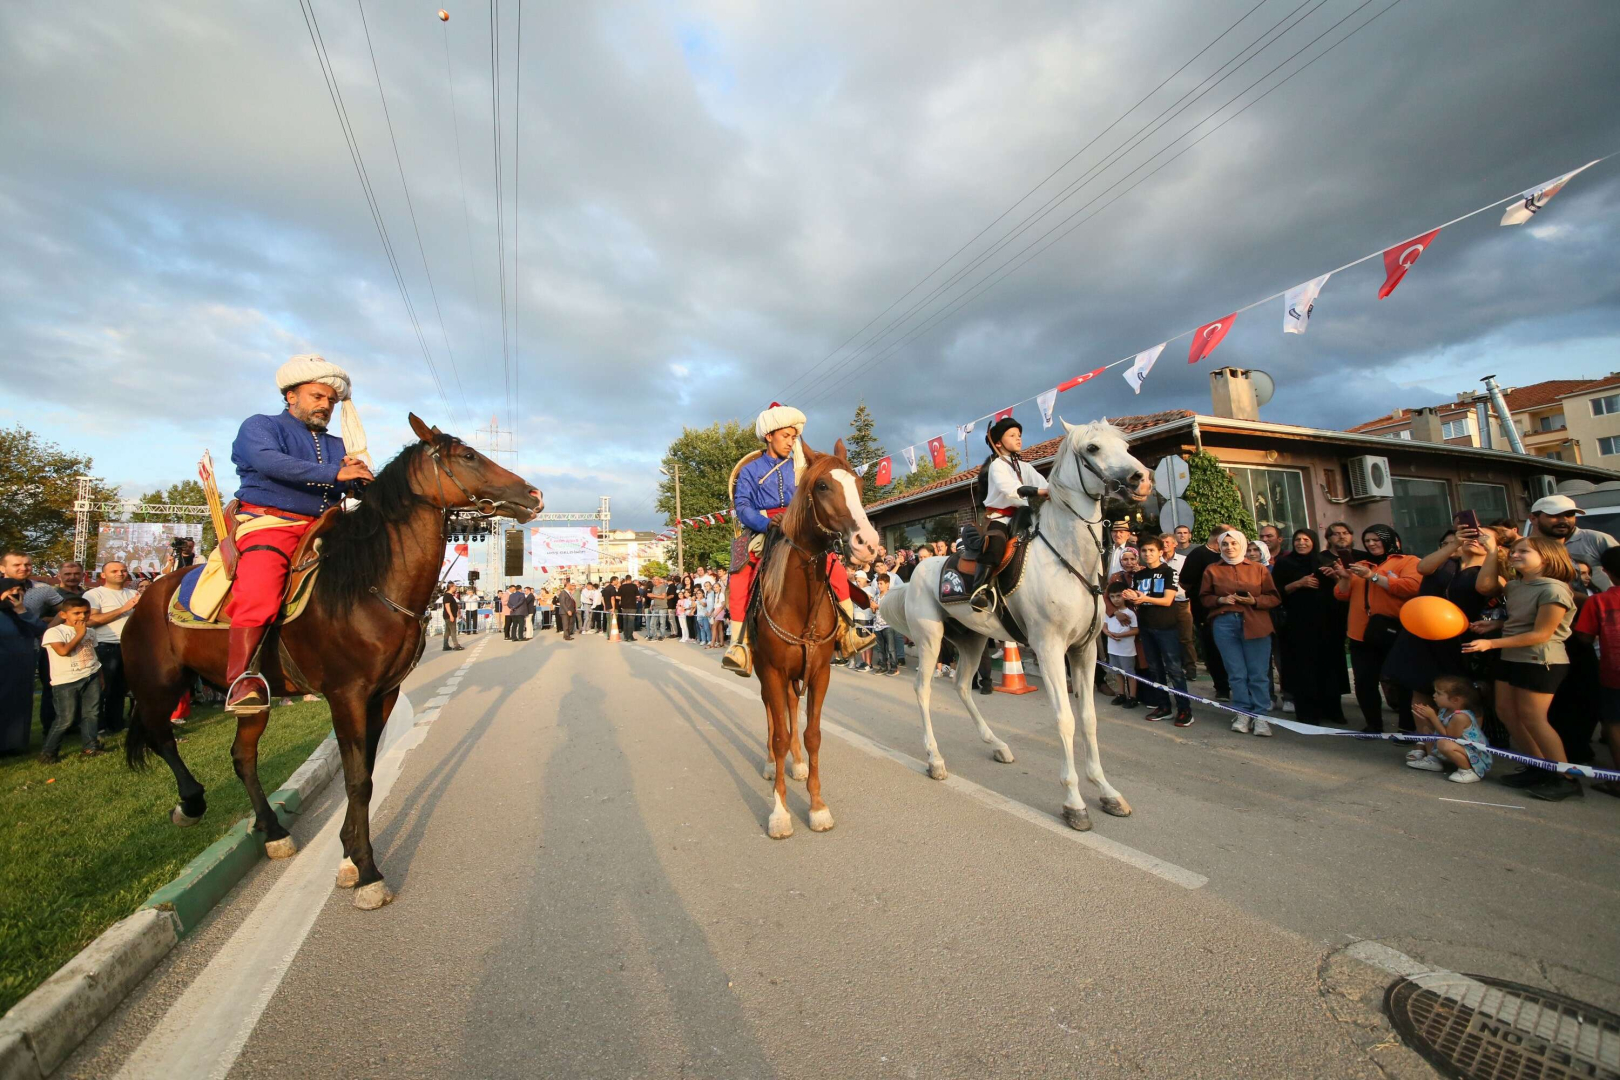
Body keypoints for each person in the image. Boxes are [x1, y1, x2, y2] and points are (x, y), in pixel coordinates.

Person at [223, 355, 374, 712]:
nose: (325, 405)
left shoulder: (339, 445)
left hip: (326, 526)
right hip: (272, 522)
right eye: (317, 396)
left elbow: (345, 488)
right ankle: (242, 680)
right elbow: (268, 462)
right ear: (291, 395)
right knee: (260, 588)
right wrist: (337, 475)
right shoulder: (260, 426)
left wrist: (364, 483)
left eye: (331, 401)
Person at [723, 403, 873, 675]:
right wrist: (766, 522)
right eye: (786, 435)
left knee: (835, 569)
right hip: (762, 529)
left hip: (799, 528)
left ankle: (848, 631)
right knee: (740, 576)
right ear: (769, 436)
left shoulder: (803, 468)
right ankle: (739, 644)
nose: (791, 441)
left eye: (794, 436)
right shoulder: (750, 470)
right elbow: (742, 506)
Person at [1465, 536, 1581, 800]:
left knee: (1533, 718)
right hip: (1511, 656)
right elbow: (1486, 588)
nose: (1515, 555)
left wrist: (1491, 642)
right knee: (1506, 711)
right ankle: (1538, 765)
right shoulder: (1515, 586)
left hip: (1540, 660)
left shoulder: (1554, 589)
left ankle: (1565, 777)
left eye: (1524, 551)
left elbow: (1541, 634)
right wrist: (1492, 551)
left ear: (1548, 558)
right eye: (1514, 551)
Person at [1381, 527, 1499, 721]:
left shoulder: (1491, 572)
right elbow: (1422, 568)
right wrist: (1454, 543)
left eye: (1482, 537)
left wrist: (1492, 551)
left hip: (1457, 639)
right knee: (1420, 690)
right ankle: (1424, 744)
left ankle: (1463, 745)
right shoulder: (1445, 563)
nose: (1475, 539)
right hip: (1420, 634)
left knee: (1457, 696)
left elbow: (1486, 587)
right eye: (1472, 535)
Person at [1327, 525, 1421, 734]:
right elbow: (1341, 595)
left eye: (1376, 539)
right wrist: (1343, 576)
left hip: (1395, 632)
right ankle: (1373, 724)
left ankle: (1407, 727)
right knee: (1364, 682)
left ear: (1390, 540)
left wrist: (1373, 576)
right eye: (1367, 540)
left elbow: (1411, 588)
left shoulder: (1408, 561)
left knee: (1402, 681)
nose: (1371, 544)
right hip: (1361, 634)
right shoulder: (1359, 564)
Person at [1200, 529, 1283, 736]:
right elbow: (1204, 597)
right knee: (1236, 672)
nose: (1229, 548)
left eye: (1234, 544)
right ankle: (1242, 712)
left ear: (1242, 545)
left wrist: (1254, 601)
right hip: (1225, 623)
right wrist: (1220, 600)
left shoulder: (1258, 569)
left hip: (1256, 622)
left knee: (1258, 673)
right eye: (1225, 544)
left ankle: (1261, 716)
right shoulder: (1212, 569)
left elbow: (1274, 598)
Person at [967, 417, 1048, 611]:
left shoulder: (1025, 467)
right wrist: (1040, 492)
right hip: (1000, 518)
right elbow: (1010, 488)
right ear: (997, 443)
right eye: (1012, 435)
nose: (1018, 439)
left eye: (1019, 435)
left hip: (1025, 517)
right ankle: (980, 590)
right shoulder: (997, 466)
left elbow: (1044, 485)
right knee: (995, 544)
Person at [1270, 531, 1348, 724]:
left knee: (1329, 667)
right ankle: (1307, 712)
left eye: (1306, 540)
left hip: (1328, 624)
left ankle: (1332, 710)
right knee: (1303, 669)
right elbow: (1276, 593)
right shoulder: (1285, 563)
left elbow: (1344, 590)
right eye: (1297, 539)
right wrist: (1298, 583)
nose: (1301, 543)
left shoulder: (1326, 561)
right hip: (1297, 625)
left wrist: (1336, 577)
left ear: (1314, 542)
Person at [1126, 538, 1190, 725]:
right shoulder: (1139, 575)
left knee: (1174, 669)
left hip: (1166, 627)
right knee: (1155, 669)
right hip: (1146, 626)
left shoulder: (1169, 572)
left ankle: (1185, 709)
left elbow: (1167, 600)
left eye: (1152, 550)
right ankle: (1164, 706)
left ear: (1160, 551)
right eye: (1144, 550)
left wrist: (1144, 598)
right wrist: (1131, 596)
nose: (1148, 554)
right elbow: (1137, 598)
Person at [1573, 545, 1620, 797]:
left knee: (1614, 724)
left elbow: (1583, 637)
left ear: (1606, 572)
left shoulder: (1599, 601)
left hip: (1614, 672)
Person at [39, 598, 103, 762]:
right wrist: (79, 634)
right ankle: (49, 752)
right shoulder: (55, 632)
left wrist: (101, 676)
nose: (82, 617)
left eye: (86, 612)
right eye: (77, 613)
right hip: (66, 681)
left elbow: (93, 653)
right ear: (63, 614)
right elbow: (63, 651)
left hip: (91, 675)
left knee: (91, 713)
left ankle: (91, 746)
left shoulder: (90, 631)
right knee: (65, 718)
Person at [84, 561, 143, 733]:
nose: (120, 573)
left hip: (129, 647)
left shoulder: (133, 593)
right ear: (103, 575)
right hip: (105, 646)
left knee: (120, 689)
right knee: (103, 689)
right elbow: (90, 621)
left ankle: (116, 724)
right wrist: (123, 609)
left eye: (123, 570)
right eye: (114, 571)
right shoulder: (94, 594)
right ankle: (98, 727)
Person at [1179, 523, 1233, 701]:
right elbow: (1185, 582)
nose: (1231, 544)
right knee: (1213, 649)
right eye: (1227, 540)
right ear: (1219, 538)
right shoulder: (1199, 555)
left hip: (1230, 610)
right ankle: (1222, 686)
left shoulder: (1228, 556)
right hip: (1206, 611)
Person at [1407, 675, 1492, 784]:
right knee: (1427, 729)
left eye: (1439, 693)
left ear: (1455, 700)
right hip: (1456, 745)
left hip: (1473, 753)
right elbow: (1439, 729)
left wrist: (1433, 716)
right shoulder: (1445, 710)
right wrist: (1428, 719)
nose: (1434, 696)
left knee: (1444, 744)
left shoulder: (1460, 717)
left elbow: (1449, 737)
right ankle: (1433, 759)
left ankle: (1468, 770)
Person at [0, 580, 46, 755]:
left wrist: (22, 612)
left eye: (19, 591)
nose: (15, 594)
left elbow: (41, 628)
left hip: (22, 666)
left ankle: (14, 744)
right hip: (2, 664)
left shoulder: (23, 613)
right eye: (10, 591)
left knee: (19, 705)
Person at [1159, 532, 1199, 682]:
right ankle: (1170, 668)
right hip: (1162, 604)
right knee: (1166, 637)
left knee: (1186, 637)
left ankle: (1190, 668)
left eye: (1168, 542)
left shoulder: (1184, 560)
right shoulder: (1155, 561)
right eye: (1162, 542)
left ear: (1175, 544)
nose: (1165, 545)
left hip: (1181, 602)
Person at [1102, 586, 1141, 709]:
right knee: (1117, 672)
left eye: (1118, 596)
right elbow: (1104, 626)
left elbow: (1135, 630)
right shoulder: (1109, 613)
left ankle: (1133, 696)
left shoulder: (1130, 613)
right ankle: (1121, 694)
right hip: (1113, 649)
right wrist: (1108, 633)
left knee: (1130, 673)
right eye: (1112, 597)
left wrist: (1121, 635)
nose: (1115, 600)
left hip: (1126, 650)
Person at [617, 575, 640, 641]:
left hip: (624, 606)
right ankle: (630, 637)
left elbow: (618, 596)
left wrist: (623, 598)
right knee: (631, 621)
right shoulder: (634, 586)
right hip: (632, 606)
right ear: (631, 579)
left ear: (625, 579)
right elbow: (638, 596)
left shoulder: (621, 587)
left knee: (625, 621)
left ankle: (626, 636)